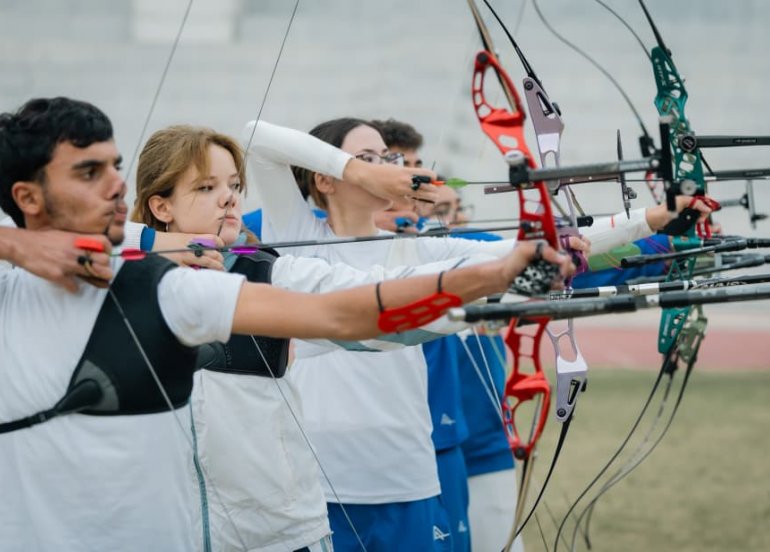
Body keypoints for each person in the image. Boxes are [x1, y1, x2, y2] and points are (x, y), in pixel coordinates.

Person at [0, 97, 573, 552]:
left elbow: (342, 311)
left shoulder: (174, 288)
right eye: (88, 171)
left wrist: (494, 275)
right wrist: (21, 245)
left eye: (116, 168)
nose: (114, 185)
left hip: (271, 532)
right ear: (25, 195)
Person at [130, 124, 524, 552]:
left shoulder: (268, 272)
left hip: (280, 536)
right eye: (206, 187)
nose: (229, 197)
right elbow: (64, 240)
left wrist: (505, 273)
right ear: (160, 205)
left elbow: (368, 312)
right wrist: (156, 242)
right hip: (174, 533)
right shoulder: (116, 282)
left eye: (235, 185)